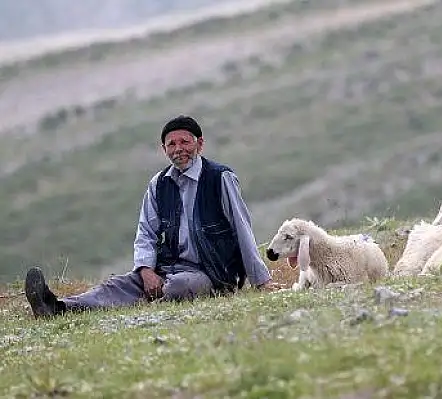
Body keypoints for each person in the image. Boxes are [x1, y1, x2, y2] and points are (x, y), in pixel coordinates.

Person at [24, 115, 275, 318]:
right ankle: (57, 308)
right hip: (168, 268)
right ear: (164, 149)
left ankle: (149, 304)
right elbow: (146, 232)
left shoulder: (220, 178)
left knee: (178, 287)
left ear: (200, 143)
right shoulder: (158, 184)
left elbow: (243, 229)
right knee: (117, 285)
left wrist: (260, 281)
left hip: (212, 273)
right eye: (172, 144)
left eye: (185, 142)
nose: (179, 150)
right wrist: (145, 269)